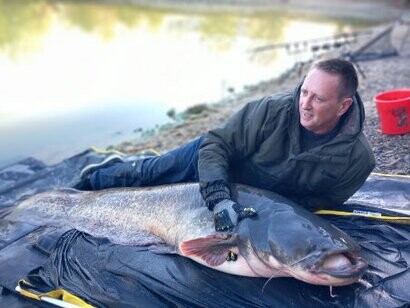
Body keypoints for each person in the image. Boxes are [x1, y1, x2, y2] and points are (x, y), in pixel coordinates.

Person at [74, 58, 375, 232]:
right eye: (304, 92)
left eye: (318, 99)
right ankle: (98, 174)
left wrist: (269, 213)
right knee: (148, 175)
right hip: (210, 161)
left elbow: (324, 203)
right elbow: (217, 144)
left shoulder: (358, 161)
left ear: (343, 106)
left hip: (245, 195)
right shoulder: (272, 110)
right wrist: (218, 198)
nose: (304, 105)